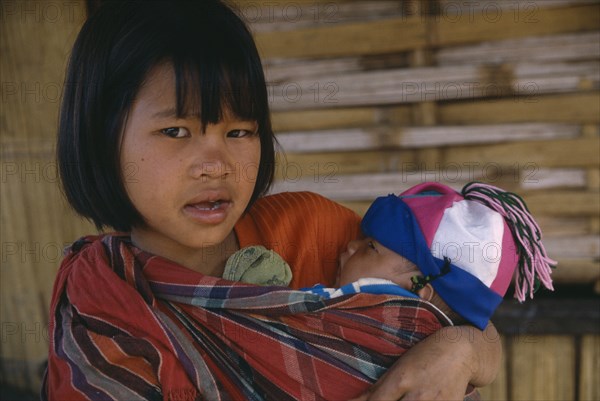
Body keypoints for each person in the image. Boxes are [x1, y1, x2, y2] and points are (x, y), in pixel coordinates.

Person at [44, 1, 503, 400]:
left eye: (239, 132)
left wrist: (459, 350)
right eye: (176, 131)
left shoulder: (314, 232)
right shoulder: (103, 302)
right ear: (103, 139)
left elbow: (460, 321)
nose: (216, 165)